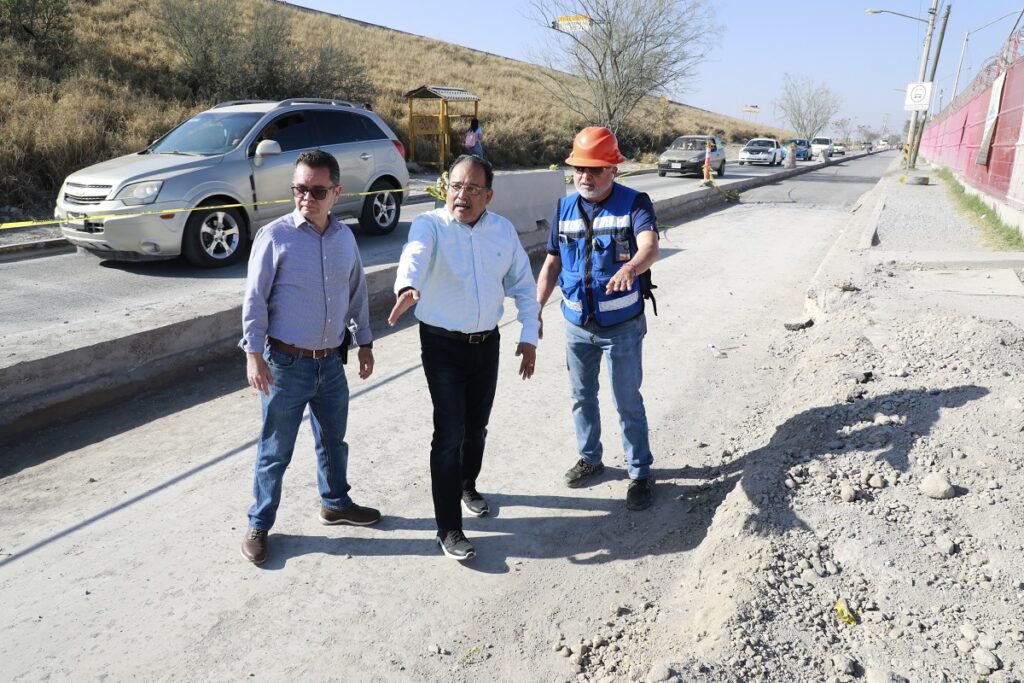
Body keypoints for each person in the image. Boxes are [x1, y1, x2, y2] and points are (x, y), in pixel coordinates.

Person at [389, 154, 539, 560]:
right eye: (456, 186)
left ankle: (467, 484)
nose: (462, 195)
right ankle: (448, 528)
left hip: (486, 343)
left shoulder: (502, 232)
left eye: (473, 188)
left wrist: (529, 336)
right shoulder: (431, 225)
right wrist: (407, 285)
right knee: (449, 433)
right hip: (442, 346)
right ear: (446, 188)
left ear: (488, 195)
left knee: (477, 428)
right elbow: (414, 255)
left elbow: (524, 285)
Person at [239, 149, 379, 565]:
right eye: (300, 189)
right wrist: (252, 354)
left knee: (333, 441)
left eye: (318, 190)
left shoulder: (344, 238)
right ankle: (260, 524)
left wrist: (365, 342)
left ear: (336, 192)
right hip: (284, 364)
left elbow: (355, 293)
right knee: (274, 449)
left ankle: (335, 503)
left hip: (331, 364)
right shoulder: (275, 237)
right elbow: (255, 301)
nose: (307, 198)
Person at [535, 127, 660, 511]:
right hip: (576, 326)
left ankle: (639, 472)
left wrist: (632, 269)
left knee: (626, 400)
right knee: (581, 397)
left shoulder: (634, 203)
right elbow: (553, 262)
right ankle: (591, 458)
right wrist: (534, 309)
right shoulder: (563, 209)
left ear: (613, 170)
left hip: (621, 326)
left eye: (594, 169)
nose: (585, 177)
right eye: (579, 169)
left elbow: (650, 246)